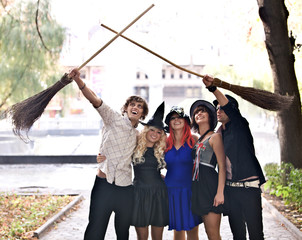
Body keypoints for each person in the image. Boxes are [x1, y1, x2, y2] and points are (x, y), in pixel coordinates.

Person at [69, 68, 149, 240]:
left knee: (123, 232)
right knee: (95, 230)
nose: (135, 107)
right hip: (103, 184)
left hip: (125, 188)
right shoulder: (112, 118)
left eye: (139, 106)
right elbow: (94, 99)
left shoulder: (139, 135)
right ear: (126, 108)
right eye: (132, 105)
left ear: (142, 113)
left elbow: (153, 149)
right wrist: (78, 80)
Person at [202, 75, 266, 240]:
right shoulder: (218, 134)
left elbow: (229, 107)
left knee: (255, 234)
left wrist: (213, 89)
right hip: (231, 190)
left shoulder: (240, 126)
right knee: (237, 234)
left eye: (222, 108)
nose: (219, 111)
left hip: (249, 189)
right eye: (217, 109)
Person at [131, 102, 169, 240]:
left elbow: (175, 168)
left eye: (159, 132)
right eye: (152, 130)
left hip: (158, 193)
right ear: (146, 130)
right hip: (139, 193)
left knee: (157, 238)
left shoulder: (162, 151)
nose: (155, 134)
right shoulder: (134, 146)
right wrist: (102, 155)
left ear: (161, 135)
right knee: (142, 238)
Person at [190, 99, 227, 240]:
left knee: (212, 234)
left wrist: (220, 193)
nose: (199, 113)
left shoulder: (215, 137)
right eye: (196, 112)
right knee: (195, 232)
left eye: (203, 111)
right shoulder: (196, 140)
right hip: (196, 189)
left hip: (210, 189)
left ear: (210, 116)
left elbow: (222, 166)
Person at [164, 106, 202, 240]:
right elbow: (154, 164)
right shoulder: (164, 142)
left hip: (190, 190)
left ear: (186, 121)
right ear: (169, 123)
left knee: (192, 230)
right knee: (177, 230)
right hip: (171, 191)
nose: (176, 120)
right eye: (173, 118)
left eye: (179, 117)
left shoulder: (195, 140)